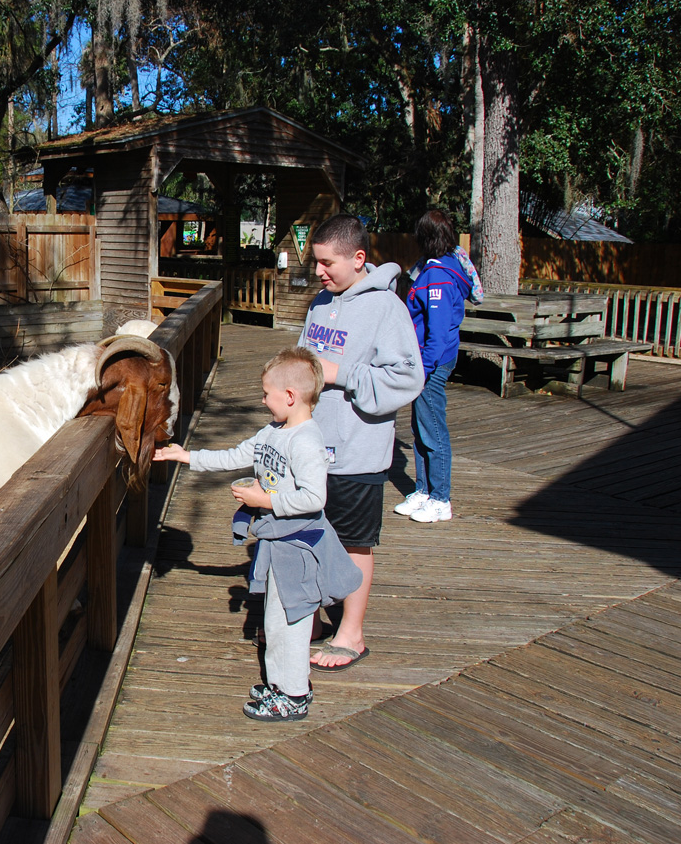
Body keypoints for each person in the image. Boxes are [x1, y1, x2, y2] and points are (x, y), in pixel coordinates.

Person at [154, 347, 361, 722]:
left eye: (267, 393)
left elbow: (315, 497)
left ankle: (294, 695)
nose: (263, 400)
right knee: (273, 621)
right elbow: (235, 456)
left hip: (298, 546)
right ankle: (280, 683)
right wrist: (187, 457)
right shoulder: (272, 432)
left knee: (291, 625)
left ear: (291, 396)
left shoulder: (306, 441)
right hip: (276, 542)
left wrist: (264, 499)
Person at [296, 213, 424, 671]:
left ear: (359, 258)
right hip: (312, 448)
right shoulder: (320, 301)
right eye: (316, 262)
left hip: (357, 452)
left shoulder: (386, 308)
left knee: (353, 544)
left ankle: (351, 633)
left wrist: (340, 373)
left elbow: (409, 378)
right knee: (306, 533)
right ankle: (307, 619)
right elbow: (305, 359)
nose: (319, 272)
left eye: (327, 263)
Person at [396, 210, 469, 524]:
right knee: (420, 427)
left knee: (433, 431)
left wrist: (422, 370)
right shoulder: (438, 268)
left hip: (431, 364)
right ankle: (424, 490)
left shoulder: (438, 277)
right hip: (426, 361)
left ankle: (441, 499)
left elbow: (437, 333)